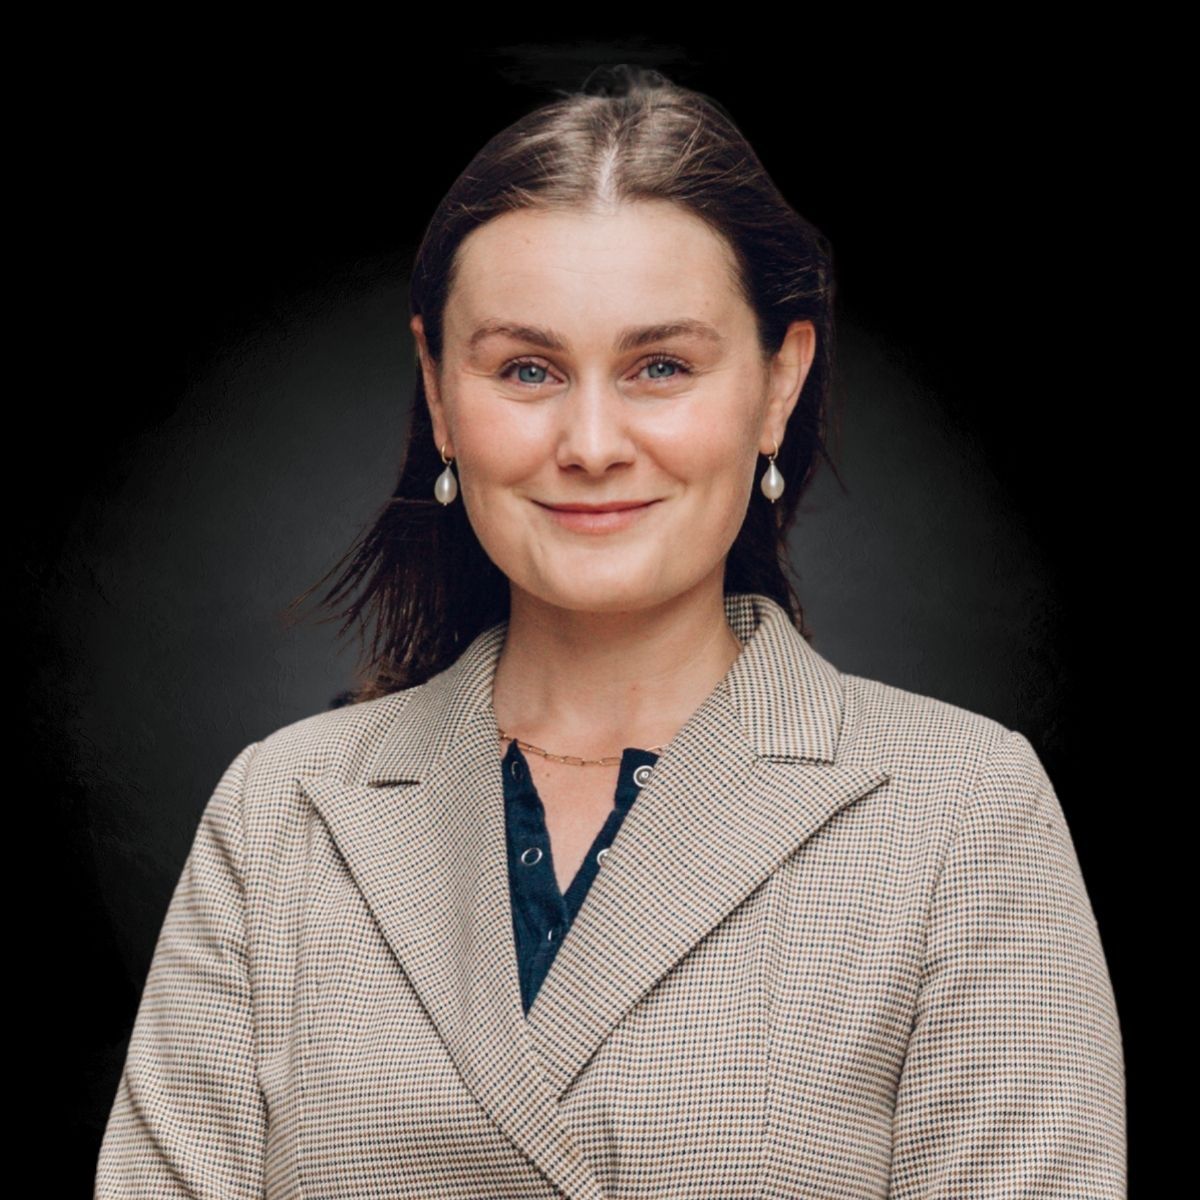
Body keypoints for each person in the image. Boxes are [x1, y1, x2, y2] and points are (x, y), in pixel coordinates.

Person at [95, 64, 1126, 1199]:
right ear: (439, 393)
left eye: (660, 367)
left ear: (778, 384)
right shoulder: (281, 813)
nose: (591, 443)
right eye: (527, 369)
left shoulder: (963, 811)